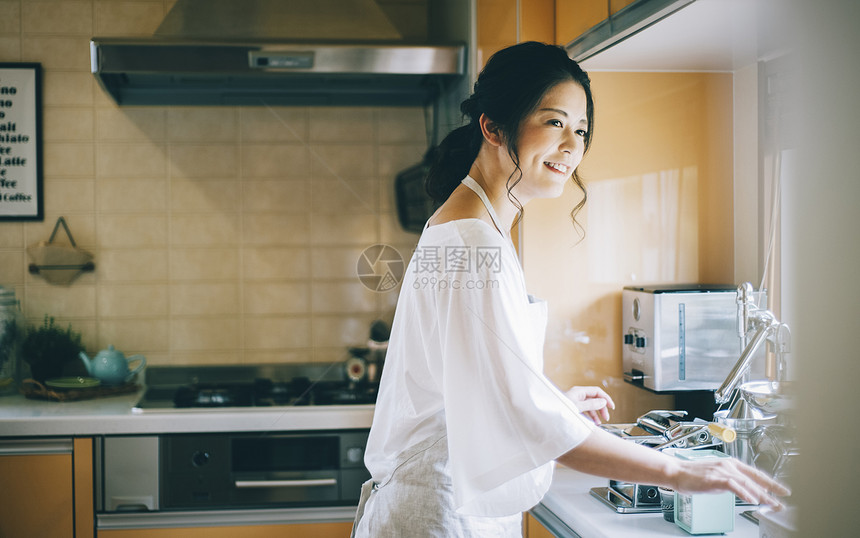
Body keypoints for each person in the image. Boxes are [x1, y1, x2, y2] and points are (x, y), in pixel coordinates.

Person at [351, 42, 789, 537]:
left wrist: (549, 401)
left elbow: (479, 385)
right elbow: (517, 416)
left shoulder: (467, 226)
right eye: (554, 122)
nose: (572, 145)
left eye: (580, 130)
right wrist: (679, 471)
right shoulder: (476, 244)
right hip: (439, 514)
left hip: (439, 500)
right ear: (493, 127)